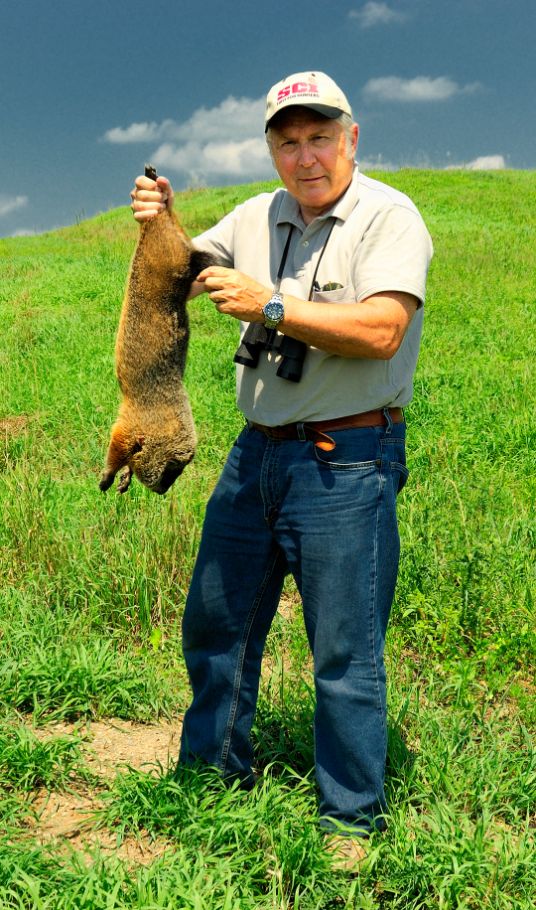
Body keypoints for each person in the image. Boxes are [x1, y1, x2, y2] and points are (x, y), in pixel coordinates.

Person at [131, 71, 433, 868]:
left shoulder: (389, 217)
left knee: (343, 648)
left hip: (347, 457)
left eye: (319, 137)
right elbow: (187, 267)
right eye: (287, 141)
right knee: (217, 624)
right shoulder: (259, 214)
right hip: (255, 451)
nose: (305, 157)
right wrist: (158, 221)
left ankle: (350, 825)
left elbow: (380, 331)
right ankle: (211, 783)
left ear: (352, 137)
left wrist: (270, 304)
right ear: (271, 147)